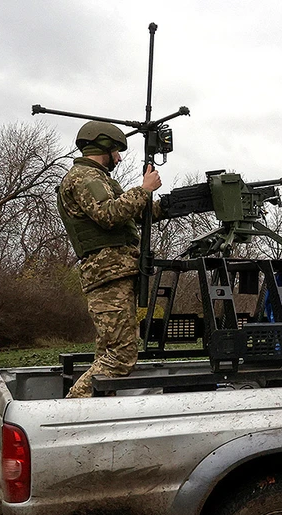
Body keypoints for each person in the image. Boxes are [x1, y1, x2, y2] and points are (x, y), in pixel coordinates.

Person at [57, 121, 163, 398]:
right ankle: (69, 413)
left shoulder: (99, 179)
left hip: (114, 272)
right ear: (103, 147)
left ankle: (93, 413)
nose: (119, 157)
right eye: (116, 151)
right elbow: (108, 214)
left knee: (110, 351)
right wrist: (144, 189)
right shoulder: (84, 177)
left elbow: (134, 214)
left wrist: (175, 204)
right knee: (120, 356)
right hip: (107, 273)